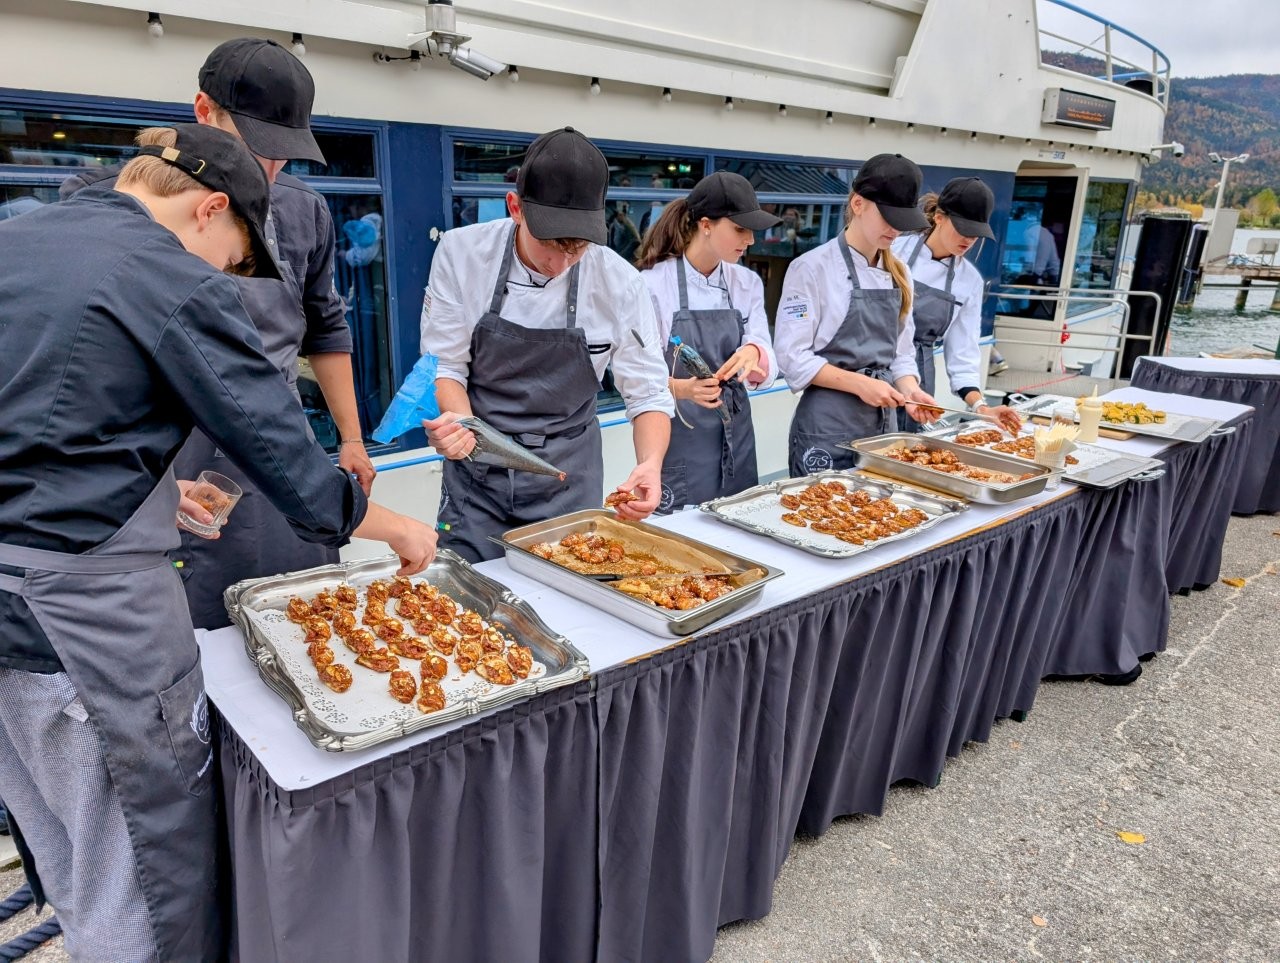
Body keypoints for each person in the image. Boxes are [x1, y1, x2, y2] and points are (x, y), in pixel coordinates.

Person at [0, 124, 435, 962]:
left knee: (61, 850)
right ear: (208, 209)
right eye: (237, 259)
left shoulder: (19, 238)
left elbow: (44, 438)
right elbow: (288, 463)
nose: (229, 276)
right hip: (84, 634)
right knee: (137, 872)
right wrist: (400, 527)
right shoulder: (166, 276)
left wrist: (158, 490)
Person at [61, 37, 375, 630]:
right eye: (257, 147)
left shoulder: (306, 210)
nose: (270, 170)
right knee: (195, 621)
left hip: (282, 438)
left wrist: (351, 439)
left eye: (284, 154)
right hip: (170, 447)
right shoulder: (103, 204)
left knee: (305, 613)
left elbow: (324, 327)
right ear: (203, 110)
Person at [421, 127, 673, 562]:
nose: (560, 263)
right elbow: (446, 365)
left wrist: (650, 463)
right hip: (480, 469)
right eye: (550, 244)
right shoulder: (461, 254)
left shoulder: (621, 283)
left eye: (576, 248)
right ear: (515, 207)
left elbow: (648, 390)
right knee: (467, 603)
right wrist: (462, 427)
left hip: (568, 475)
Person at [775, 153, 940, 477]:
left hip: (883, 428)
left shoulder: (900, 272)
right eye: (888, 217)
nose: (895, 230)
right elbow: (792, 356)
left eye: (902, 221)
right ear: (858, 203)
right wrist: (859, 384)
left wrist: (910, 390)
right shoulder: (810, 268)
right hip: (826, 426)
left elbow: (901, 355)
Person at [634, 171, 780, 510]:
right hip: (680, 432)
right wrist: (684, 389)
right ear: (706, 225)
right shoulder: (653, 285)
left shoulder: (747, 283)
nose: (750, 241)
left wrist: (754, 352)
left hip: (738, 431)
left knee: (741, 524)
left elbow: (768, 356)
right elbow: (637, 376)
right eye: (740, 229)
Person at [891, 177, 1022, 433]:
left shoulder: (969, 281)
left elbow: (963, 353)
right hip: (872, 368)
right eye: (963, 228)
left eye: (976, 233)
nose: (969, 239)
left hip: (918, 382)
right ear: (939, 216)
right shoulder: (894, 251)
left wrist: (981, 407)